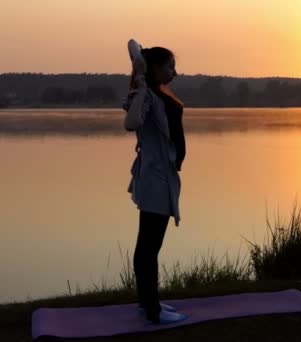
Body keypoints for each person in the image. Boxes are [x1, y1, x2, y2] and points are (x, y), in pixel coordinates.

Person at [123, 40, 188, 324]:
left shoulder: (158, 93)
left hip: (163, 176)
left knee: (148, 244)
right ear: (155, 69)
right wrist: (139, 77)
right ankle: (153, 311)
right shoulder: (145, 94)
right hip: (155, 178)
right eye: (170, 66)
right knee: (149, 246)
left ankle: (149, 302)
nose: (174, 72)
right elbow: (131, 123)